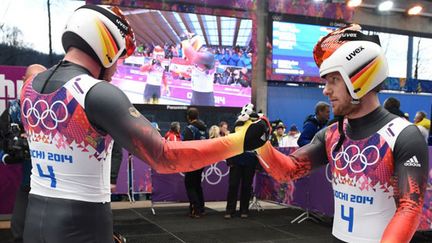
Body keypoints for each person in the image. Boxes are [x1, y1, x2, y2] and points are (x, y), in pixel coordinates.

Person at [19, 5, 270, 243]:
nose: (116, 67)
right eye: (118, 57)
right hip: (85, 220)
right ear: (106, 45)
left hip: (36, 217)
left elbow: (36, 71)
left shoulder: (30, 87)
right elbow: (163, 156)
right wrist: (239, 141)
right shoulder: (96, 92)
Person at [254, 24, 428, 243]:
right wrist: (260, 144)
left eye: (333, 80)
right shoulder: (332, 134)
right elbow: (287, 171)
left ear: (359, 80)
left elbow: (410, 208)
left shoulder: (404, 135)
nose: (326, 90)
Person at [0, 64, 46, 243]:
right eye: (30, 79)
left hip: (55, 187)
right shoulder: (14, 109)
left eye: (39, 79)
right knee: (18, 228)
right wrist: (6, 155)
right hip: (29, 183)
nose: (35, 84)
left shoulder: (58, 108)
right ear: (23, 81)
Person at [182, 107, 208, 218]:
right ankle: (201, 208)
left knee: (190, 184)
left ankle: (195, 210)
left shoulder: (190, 129)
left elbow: (186, 146)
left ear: (188, 117)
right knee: (197, 184)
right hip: (202, 160)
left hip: (192, 161)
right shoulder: (204, 129)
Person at [181, 32, 216, 106]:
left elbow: (192, 55)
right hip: (195, 95)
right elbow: (191, 74)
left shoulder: (208, 56)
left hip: (205, 97)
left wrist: (184, 39)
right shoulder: (195, 57)